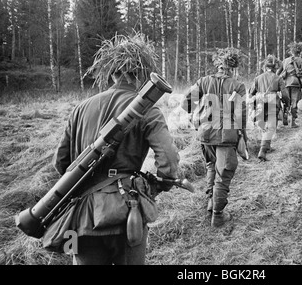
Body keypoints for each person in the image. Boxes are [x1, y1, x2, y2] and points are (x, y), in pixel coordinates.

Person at [52, 33, 180, 265]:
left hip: (81, 216)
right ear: (139, 74)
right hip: (127, 210)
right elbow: (169, 162)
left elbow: (61, 163)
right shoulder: (148, 110)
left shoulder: (80, 108)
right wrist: (155, 188)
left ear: (111, 72)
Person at [181, 48, 247, 228]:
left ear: (218, 66)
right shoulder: (238, 86)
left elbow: (185, 103)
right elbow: (241, 115)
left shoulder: (202, 82)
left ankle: (211, 202)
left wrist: (196, 114)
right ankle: (218, 215)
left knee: (211, 166)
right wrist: (243, 136)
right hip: (227, 135)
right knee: (224, 172)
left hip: (205, 134)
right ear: (231, 68)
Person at [249, 54, 289, 161]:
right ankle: (263, 150)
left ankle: (267, 145)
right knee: (271, 127)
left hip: (260, 103)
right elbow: (285, 94)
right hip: (272, 102)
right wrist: (286, 104)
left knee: (263, 126)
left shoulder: (258, 78)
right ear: (274, 68)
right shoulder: (278, 78)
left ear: (264, 67)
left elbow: (251, 93)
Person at [277, 42, 302, 128]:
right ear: (299, 51)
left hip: (285, 83)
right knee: (294, 102)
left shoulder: (285, 60)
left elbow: (278, 72)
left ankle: (285, 118)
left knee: (286, 100)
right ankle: (292, 122)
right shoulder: (300, 60)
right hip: (295, 83)